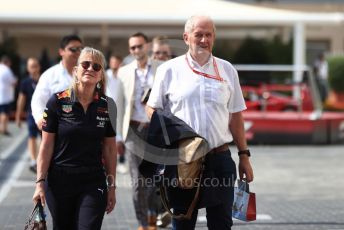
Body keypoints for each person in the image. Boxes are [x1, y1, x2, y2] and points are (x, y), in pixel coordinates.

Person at [146, 15, 254, 230]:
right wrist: (176, 135)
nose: (204, 40)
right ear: (186, 38)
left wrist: (244, 155)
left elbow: (236, 116)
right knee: (183, 224)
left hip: (220, 158)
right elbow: (152, 109)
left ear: (214, 37)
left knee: (222, 225)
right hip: (183, 161)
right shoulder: (169, 70)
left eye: (208, 35)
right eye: (198, 35)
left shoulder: (227, 70)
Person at [32, 47, 117, 230]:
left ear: (101, 74)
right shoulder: (57, 102)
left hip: (93, 180)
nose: (90, 69)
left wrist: (112, 186)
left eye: (96, 66)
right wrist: (39, 183)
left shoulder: (107, 105)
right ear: (75, 70)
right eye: (85, 64)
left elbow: (110, 149)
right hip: (59, 181)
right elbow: (46, 146)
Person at [116, 32, 162, 230]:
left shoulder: (161, 68)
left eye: (139, 46)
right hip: (133, 130)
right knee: (137, 182)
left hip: (156, 131)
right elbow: (118, 104)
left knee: (154, 180)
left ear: (147, 46)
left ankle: (153, 215)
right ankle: (142, 223)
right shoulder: (123, 72)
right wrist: (118, 136)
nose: (136, 50)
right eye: (133, 47)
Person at [31, 34, 83, 130]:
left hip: (83, 129)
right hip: (56, 130)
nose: (78, 52)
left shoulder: (87, 74)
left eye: (80, 49)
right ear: (61, 51)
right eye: (73, 49)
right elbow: (38, 101)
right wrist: (40, 120)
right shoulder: (49, 75)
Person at [15, 57, 41, 173]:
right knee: (32, 136)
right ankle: (33, 160)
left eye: (35, 65)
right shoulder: (25, 82)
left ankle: (41, 159)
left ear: (39, 66)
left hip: (44, 114)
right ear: (28, 69)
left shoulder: (44, 80)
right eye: (31, 66)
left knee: (44, 138)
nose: (34, 68)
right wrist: (18, 115)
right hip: (31, 114)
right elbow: (21, 99)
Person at [105, 54, 127, 174]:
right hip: (106, 109)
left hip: (120, 110)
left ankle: (122, 161)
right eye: (112, 61)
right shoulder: (105, 75)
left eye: (116, 62)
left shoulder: (122, 76)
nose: (114, 64)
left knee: (120, 137)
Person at [0, 55, 17, 136]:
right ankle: (4, 129)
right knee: (4, 113)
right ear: (7, 62)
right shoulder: (7, 70)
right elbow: (13, 82)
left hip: (2, 95)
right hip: (5, 96)